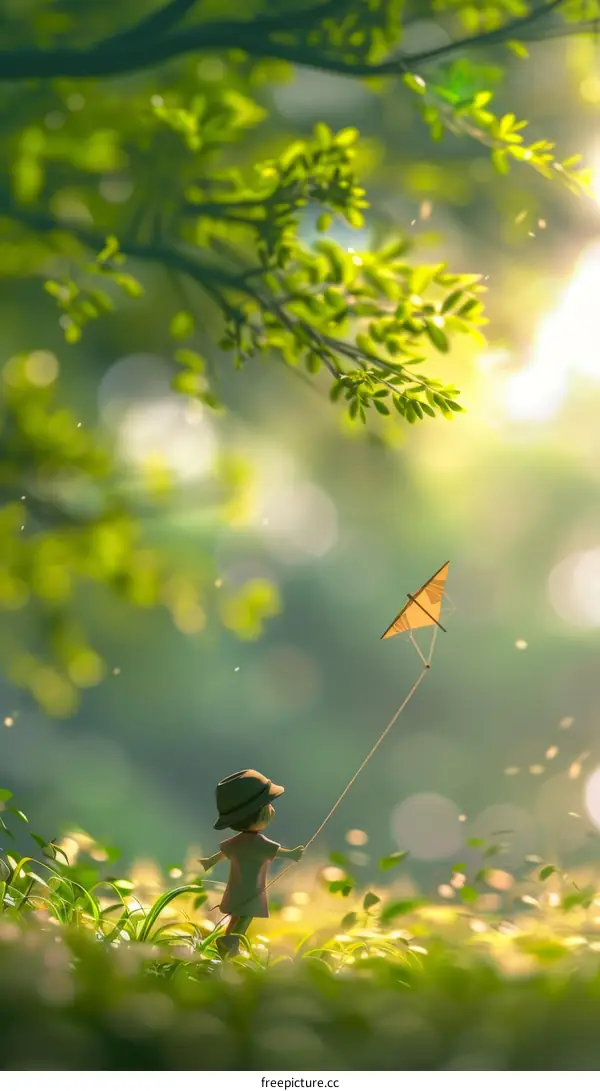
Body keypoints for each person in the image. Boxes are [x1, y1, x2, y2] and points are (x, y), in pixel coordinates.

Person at [199, 769, 305, 955]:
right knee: (245, 917)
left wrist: (209, 862)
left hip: (236, 888)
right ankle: (231, 943)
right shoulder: (258, 843)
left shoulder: (237, 842)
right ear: (259, 814)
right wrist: (293, 854)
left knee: (235, 916)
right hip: (251, 890)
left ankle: (228, 941)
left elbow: (223, 854)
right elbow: (278, 852)